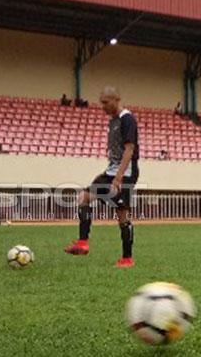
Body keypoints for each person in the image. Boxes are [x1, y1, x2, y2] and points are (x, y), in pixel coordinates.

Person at [64, 86, 139, 268]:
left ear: (116, 100)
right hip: (112, 171)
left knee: (121, 214)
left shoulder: (126, 119)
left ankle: (127, 259)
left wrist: (118, 177)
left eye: (106, 102)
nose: (103, 106)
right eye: (101, 103)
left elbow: (129, 149)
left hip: (125, 174)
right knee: (85, 197)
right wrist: (106, 173)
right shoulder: (112, 121)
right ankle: (83, 242)